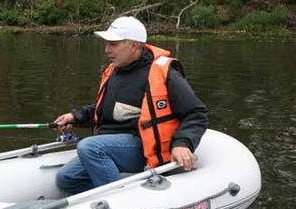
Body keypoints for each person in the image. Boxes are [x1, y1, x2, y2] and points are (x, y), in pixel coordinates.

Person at [54, 16, 208, 194]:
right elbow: (104, 108)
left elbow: (196, 112)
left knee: (89, 147)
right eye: (107, 44)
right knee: (67, 179)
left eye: (113, 44)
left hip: (143, 147)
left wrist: (182, 142)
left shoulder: (164, 73)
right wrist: (76, 116)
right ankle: (124, 190)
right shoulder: (114, 71)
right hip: (110, 144)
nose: (106, 50)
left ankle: (121, 198)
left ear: (134, 45)